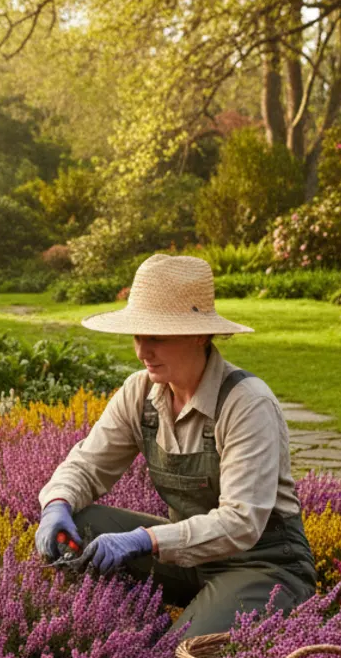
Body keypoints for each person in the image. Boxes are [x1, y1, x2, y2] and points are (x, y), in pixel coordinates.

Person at [36, 253, 316, 637]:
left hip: (263, 565)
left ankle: (191, 627)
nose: (141, 351)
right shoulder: (141, 392)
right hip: (190, 558)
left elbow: (241, 523)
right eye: (138, 335)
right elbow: (87, 464)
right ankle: (131, 628)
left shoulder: (247, 403)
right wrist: (56, 504)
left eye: (156, 337)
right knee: (80, 525)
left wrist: (145, 539)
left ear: (198, 334)